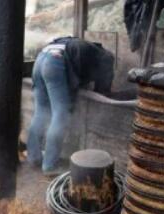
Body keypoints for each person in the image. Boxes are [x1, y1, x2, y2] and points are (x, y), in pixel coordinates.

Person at [27, 37, 115, 176]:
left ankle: (33, 158)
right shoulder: (107, 58)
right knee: (60, 115)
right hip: (55, 62)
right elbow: (102, 90)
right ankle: (50, 165)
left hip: (40, 59)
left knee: (40, 112)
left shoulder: (84, 47)